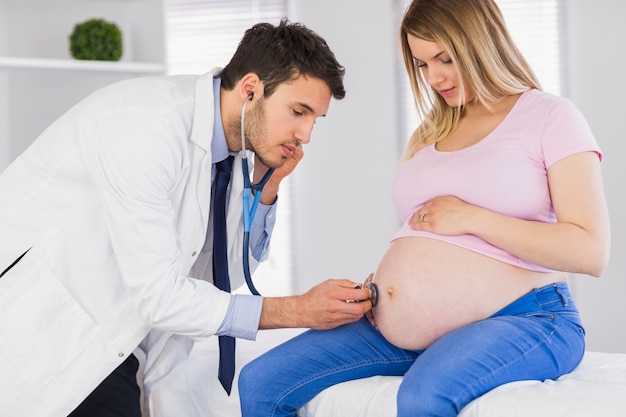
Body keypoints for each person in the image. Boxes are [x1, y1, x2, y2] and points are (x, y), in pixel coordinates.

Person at [238, 1, 611, 416]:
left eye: (445, 59)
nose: (434, 77)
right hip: (389, 325)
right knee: (260, 382)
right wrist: (390, 289)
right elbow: (423, 233)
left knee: (422, 396)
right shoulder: (432, 130)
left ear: (482, 43)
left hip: (530, 316)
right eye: (421, 65)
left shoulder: (550, 116)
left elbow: (590, 251)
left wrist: (472, 217)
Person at [0, 19, 373, 417]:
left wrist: (265, 191)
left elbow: (221, 273)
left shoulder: (232, 154)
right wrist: (297, 310)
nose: (306, 135)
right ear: (251, 89)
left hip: (113, 338)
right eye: (299, 112)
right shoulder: (146, 127)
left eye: (314, 120)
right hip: (46, 328)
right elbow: (161, 295)